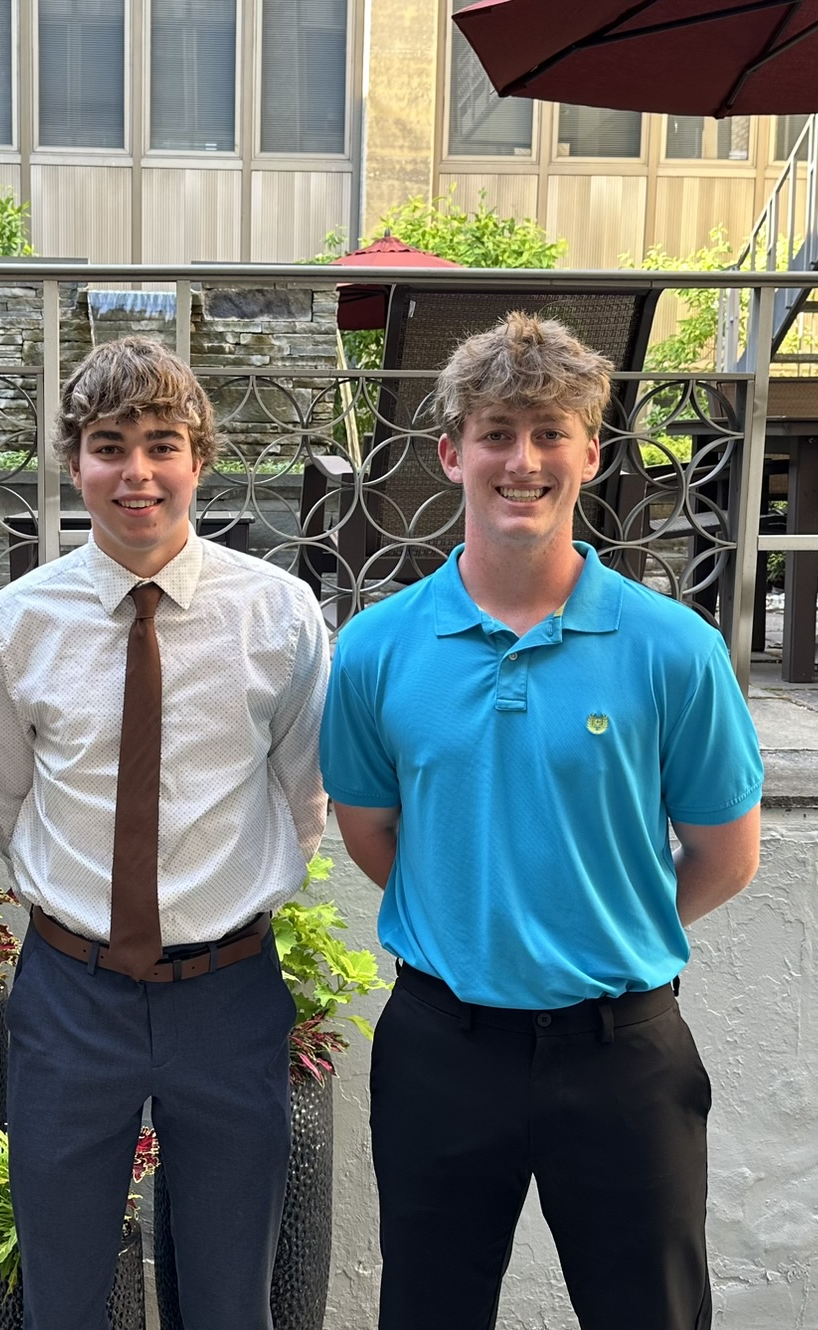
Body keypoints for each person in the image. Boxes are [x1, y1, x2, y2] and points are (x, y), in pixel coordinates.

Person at [321, 312, 763, 1330]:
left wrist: (600, 917)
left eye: (551, 431)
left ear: (591, 452)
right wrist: (476, 914)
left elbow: (725, 854)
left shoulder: (672, 648)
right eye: (497, 431)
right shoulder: (378, 647)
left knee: (651, 1313)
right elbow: (371, 831)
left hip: (624, 1053)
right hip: (443, 1047)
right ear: (452, 453)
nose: (523, 459)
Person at [0, 336, 331, 1330]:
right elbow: (9, 799)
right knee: (63, 1293)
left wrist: (225, 900)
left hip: (226, 992)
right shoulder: (16, 624)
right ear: (73, 460)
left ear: (200, 458)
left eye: (162, 443)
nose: (137, 472)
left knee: (228, 1297)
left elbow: (303, 795)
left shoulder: (277, 615)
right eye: (108, 444)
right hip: (70, 994)